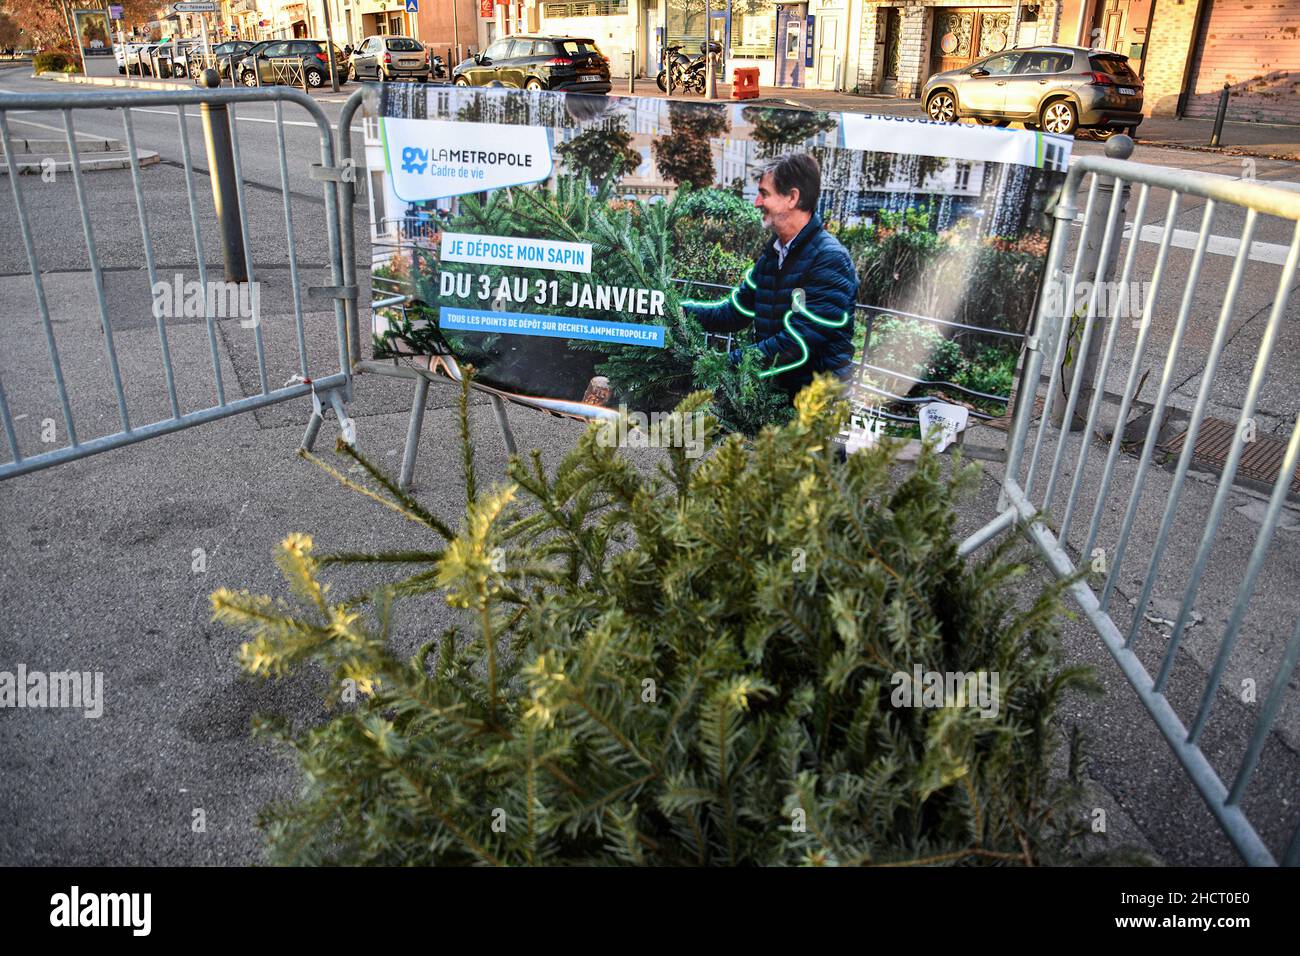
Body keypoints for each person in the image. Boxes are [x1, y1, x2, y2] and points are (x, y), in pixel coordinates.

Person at [683, 152, 859, 404]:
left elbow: (798, 342)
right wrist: (676, 311)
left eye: (764, 193)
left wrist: (725, 364)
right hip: (775, 400)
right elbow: (734, 313)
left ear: (792, 197)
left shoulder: (830, 260)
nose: (756, 202)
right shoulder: (771, 257)